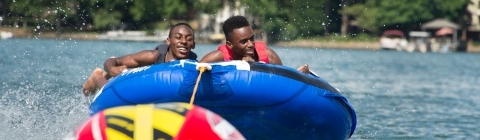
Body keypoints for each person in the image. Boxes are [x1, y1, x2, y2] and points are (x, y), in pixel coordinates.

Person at [82, 23, 197, 96]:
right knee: (109, 93)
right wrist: (112, 69)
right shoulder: (153, 56)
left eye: (189, 39)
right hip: (142, 81)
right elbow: (113, 61)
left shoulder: (195, 66)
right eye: (178, 37)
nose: (183, 42)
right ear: (168, 41)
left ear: (193, 44)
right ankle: (98, 77)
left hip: (164, 90)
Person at [199, 15, 310, 74]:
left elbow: (284, 81)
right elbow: (190, 76)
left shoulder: (269, 56)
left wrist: (300, 74)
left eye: (252, 39)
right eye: (244, 41)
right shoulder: (216, 58)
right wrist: (239, 64)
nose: (250, 44)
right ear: (230, 45)